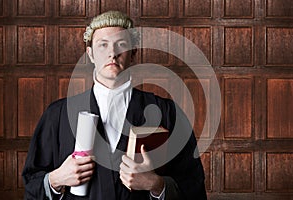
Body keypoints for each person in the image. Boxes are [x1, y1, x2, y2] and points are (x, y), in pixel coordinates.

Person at [22, 11, 207, 200]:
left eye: (121, 44)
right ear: (90, 54)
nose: (112, 53)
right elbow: (32, 184)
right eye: (103, 45)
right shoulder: (58, 115)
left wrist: (156, 185)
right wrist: (56, 179)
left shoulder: (168, 113)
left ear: (133, 53)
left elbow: (193, 183)